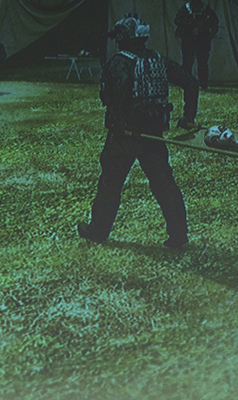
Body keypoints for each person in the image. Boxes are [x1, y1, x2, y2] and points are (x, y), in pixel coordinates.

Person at [77, 14, 199, 249]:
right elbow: (191, 83)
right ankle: (179, 235)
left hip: (124, 137)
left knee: (110, 184)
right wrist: (188, 117)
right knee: (164, 184)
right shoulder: (159, 61)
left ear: (123, 38)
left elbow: (112, 97)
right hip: (153, 136)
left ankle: (97, 231)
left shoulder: (118, 63)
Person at [174, 0, 219, 89]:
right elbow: (177, 20)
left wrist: (205, 27)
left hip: (203, 40)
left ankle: (203, 84)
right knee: (187, 62)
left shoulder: (206, 9)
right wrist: (191, 25)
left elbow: (215, 21)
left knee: (202, 62)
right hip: (188, 40)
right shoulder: (185, 9)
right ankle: (186, 83)